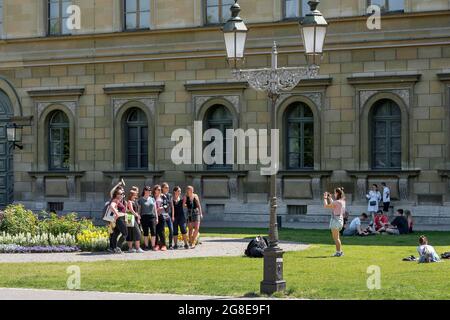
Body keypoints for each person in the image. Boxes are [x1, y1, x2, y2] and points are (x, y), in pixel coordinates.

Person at [323, 187, 346, 257]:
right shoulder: (342, 201)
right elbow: (334, 205)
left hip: (335, 220)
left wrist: (325, 198)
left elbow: (326, 206)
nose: (334, 194)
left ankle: (339, 252)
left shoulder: (337, 202)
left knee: (336, 238)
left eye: (335, 193)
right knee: (336, 238)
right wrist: (329, 198)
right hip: (339, 220)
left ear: (337, 193)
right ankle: (338, 251)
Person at [108, 188, 128, 254]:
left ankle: (113, 248)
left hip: (119, 218)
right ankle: (118, 248)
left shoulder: (119, 201)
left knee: (116, 233)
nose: (122, 195)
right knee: (125, 233)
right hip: (119, 219)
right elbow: (111, 206)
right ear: (116, 195)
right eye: (120, 194)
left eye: (122, 193)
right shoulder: (115, 200)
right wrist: (117, 214)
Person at [139, 186, 158, 251]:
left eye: (149, 190)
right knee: (145, 232)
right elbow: (139, 210)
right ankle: (146, 246)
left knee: (153, 231)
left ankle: (153, 246)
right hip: (144, 217)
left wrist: (157, 217)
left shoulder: (152, 199)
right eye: (147, 190)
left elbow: (155, 209)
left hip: (152, 216)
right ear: (144, 191)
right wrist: (139, 218)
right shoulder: (141, 199)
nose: (149, 191)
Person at [153, 185, 167, 251]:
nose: (159, 190)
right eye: (158, 189)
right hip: (153, 216)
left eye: (160, 189)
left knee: (161, 231)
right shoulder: (152, 197)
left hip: (161, 215)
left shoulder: (163, 196)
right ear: (155, 190)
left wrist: (161, 207)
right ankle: (156, 245)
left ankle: (163, 245)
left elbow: (166, 205)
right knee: (155, 231)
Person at [161, 183, 175, 250]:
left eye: (168, 187)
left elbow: (172, 206)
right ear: (162, 188)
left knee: (171, 230)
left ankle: (170, 244)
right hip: (162, 214)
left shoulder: (169, 195)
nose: (167, 189)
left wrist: (172, 216)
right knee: (162, 230)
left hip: (168, 214)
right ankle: (163, 244)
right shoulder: (160, 195)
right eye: (166, 187)